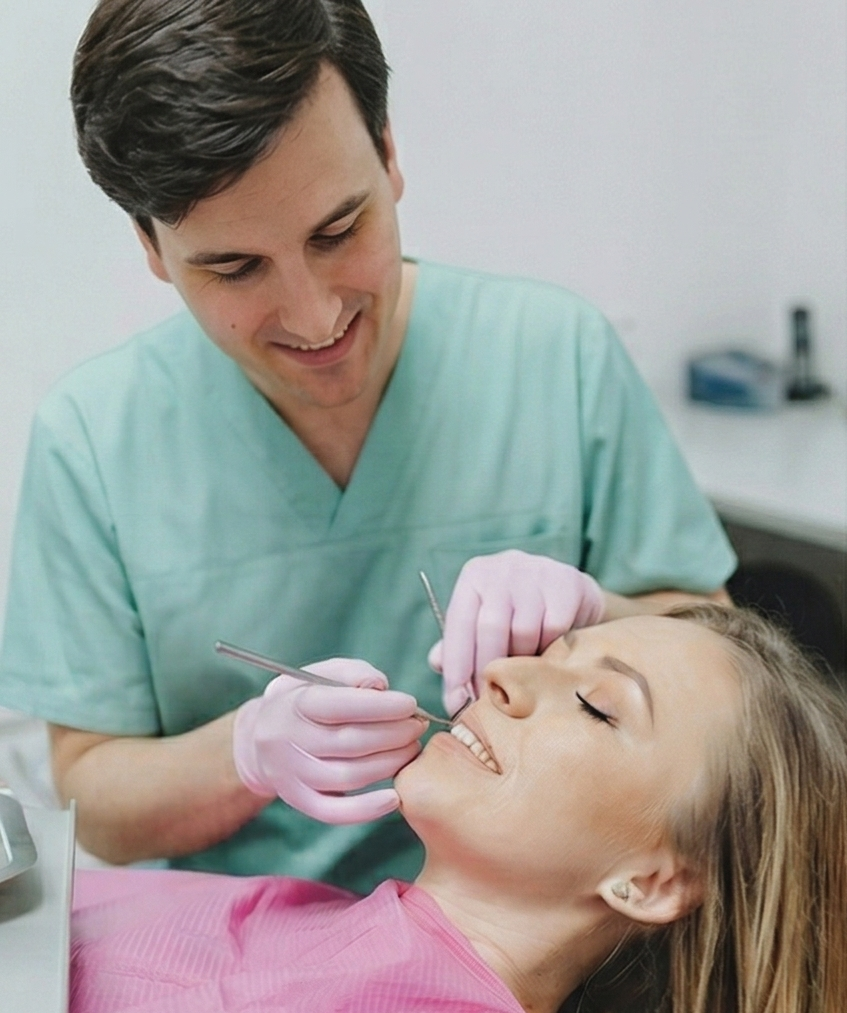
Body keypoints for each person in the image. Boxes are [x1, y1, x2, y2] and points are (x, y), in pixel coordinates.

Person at [0, 0, 736, 891]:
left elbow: (723, 665)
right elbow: (97, 798)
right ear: (151, 246)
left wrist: (600, 611)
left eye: (338, 231)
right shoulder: (93, 441)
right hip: (240, 939)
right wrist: (243, 754)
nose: (315, 317)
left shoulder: (555, 358)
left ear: (388, 154)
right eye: (235, 268)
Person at [1, 606, 845, 1013]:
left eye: (594, 704)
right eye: (548, 653)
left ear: (651, 881)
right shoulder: (260, 913)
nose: (503, 673)